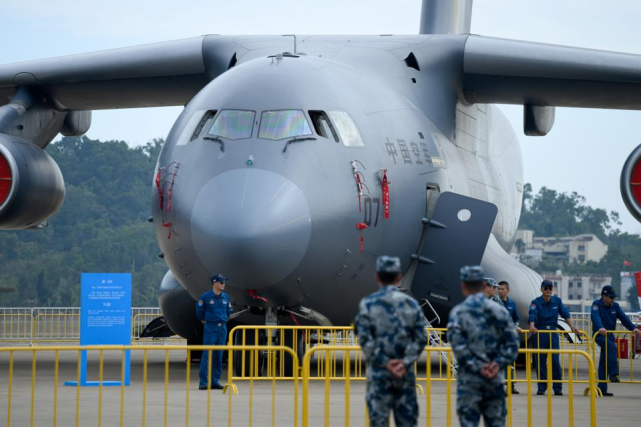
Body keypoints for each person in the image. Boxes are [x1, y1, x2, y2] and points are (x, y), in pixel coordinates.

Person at [353, 256, 427, 427]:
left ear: (377, 277)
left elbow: (364, 338)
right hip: (404, 375)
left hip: (379, 375)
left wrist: (385, 363)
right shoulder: (411, 304)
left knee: (378, 421)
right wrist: (404, 362)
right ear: (399, 277)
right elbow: (420, 338)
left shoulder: (368, 304)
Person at [448, 266, 519, 427]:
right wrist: (495, 365)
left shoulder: (459, 313)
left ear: (464, 286)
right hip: (494, 378)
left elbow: (457, 345)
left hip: (470, 380)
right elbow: (512, 343)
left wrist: (476, 366)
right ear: (484, 286)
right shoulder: (499, 311)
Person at [528, 279, 580, 396]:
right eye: (545, 288)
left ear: (552, 290)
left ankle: (557, 387)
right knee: (540, 361)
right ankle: (542, 387)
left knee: (555, 361)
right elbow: (532, 315)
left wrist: (572, 326)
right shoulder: (535, 302)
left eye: (550, 288)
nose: (548, 290)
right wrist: (532, 326)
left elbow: (565, 314)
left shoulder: (557, 301)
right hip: (540, 333)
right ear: (541, 289)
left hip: (552, 333)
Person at [590, 285, 641, 396]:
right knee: (612, 347)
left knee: (604, 362)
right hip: (599, 335)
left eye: (614, 297)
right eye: (611, 297)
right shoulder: (596, 305)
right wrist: (600, 327)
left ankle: (602, 388)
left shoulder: (615, 306)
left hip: (609, 336)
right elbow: (595, 317)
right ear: (604, 296)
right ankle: (614, 374)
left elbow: (624, 319)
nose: (613, 299)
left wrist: (634, 328)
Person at [196, 274, 232, 390]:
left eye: (224, 282)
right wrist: (205, 321)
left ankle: (215, 381)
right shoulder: (205, 297)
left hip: (222, 328)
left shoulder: (225, 297)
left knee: (218, 355)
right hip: (210, 327)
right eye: (221, 282)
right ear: (215, 283)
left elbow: (228, 311)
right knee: (207, 354)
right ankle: (203, 382)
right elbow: (199, 312)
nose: (223, 284)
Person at [498, 280, 521, 395]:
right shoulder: (495, 303)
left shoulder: (512, 304)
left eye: (503, 289)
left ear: (508, 290)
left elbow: (517, 318)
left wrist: (516, 325)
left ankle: (510, 386)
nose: (500, 291)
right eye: (499, 289)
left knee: (510, 363)